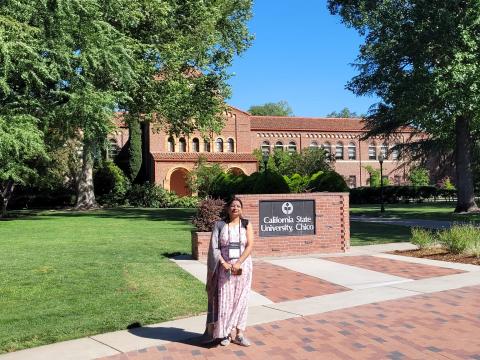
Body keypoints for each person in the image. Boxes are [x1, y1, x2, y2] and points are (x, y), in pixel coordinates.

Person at [205, 197, 254, 347]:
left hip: (243, 268)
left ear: (242, 209)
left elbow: (250, 245)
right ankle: (226, 333)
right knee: (225, 302)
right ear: (227, 209)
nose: (235, 208)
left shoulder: (246, 224)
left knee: (241, 300)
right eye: (232, 206)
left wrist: (238, 263)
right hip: (224, 269)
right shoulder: (220, 225)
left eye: (238, 206)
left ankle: (239, 334)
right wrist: (223, 263)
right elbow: (214, 247)